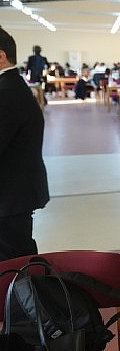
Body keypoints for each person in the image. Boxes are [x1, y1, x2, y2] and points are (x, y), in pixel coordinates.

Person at [0, 27, 50, 261]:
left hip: (10, 195)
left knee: (15, 264)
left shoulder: (7, 92)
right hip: (13, 193)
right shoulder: (10, 87)